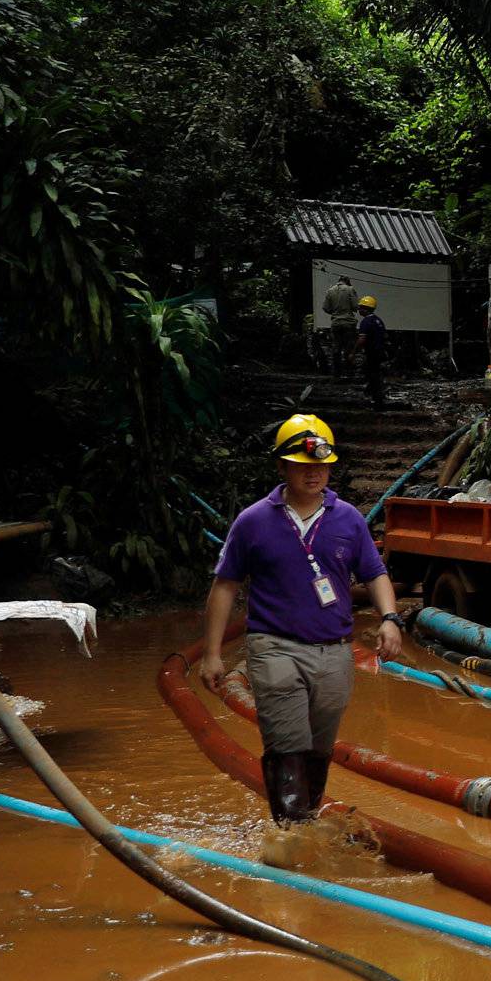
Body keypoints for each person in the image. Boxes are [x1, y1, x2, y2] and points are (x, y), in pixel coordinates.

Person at [199, 413, 407, 825]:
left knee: (318, 745)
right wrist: (211, 654)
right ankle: (291, 835)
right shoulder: (253, 521)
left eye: (322, 465)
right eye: (303, 465)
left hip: (333, 650)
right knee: (288, 741)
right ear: (282, 466)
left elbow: (374, 573)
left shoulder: (348, 519)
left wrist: (390, 618)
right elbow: (224, 587)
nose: (314, 474)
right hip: (273, 647)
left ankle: (304, 820)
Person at [323, 273, 359, 375]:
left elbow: (325, 308)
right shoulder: (350, 289)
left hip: (336, 323)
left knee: (336, 347)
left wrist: (334, 312)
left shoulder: (330, 291)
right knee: (349, 346)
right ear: (347, 281)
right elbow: (356, 306)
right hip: (348, 322)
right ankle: (348, 370)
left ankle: (337, 371)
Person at [357, 294, 388, 408]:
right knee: (375, 376)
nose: (359, 309)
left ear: (365, 308)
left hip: (372, 353)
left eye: (360, 307)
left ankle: (376, 401)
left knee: (372, 376)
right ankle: (375, 397)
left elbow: (362, 340)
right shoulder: (378, 321)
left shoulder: (366, 322)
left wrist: (353, 352)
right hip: (379, 353)